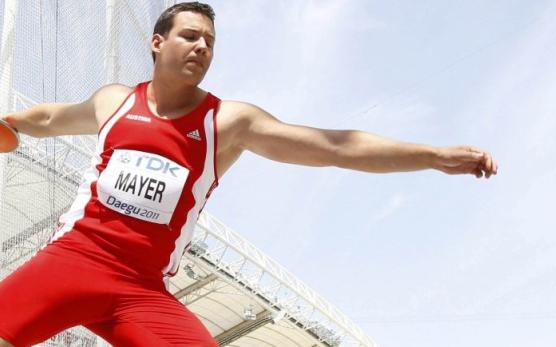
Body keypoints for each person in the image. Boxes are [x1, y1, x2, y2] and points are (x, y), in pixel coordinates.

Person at [0, 2, 497, 346]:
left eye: (210, 43)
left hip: (141, 288)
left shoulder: (229, 123)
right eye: (190, 36)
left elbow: (334, 147)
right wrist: (12, 125)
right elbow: (45, 119)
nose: (201, 48)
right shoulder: (114, 101)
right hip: (75, 261)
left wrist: (431, 155)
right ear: (157, 41)